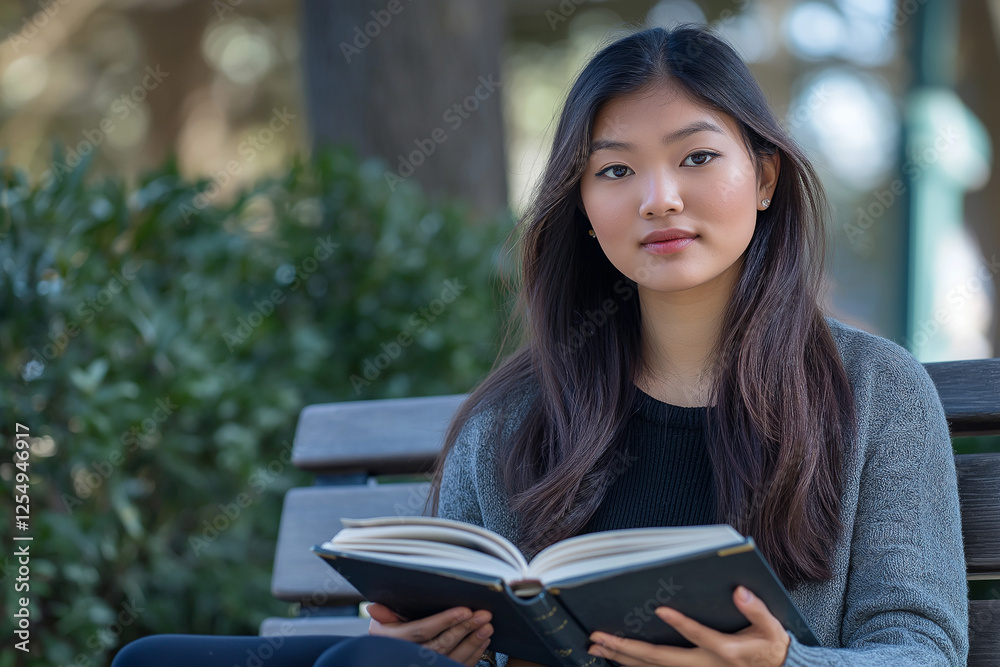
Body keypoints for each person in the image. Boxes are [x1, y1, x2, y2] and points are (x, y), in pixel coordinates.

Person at [112, 22, 968, 667]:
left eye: (698, 157)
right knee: (155, 659)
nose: (659, 198)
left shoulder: (872, 390)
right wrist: (436, 639)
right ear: (587, 211)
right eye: (616, 170)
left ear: (766, 176)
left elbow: (923, 650)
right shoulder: (527, 407)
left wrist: (782, 662)